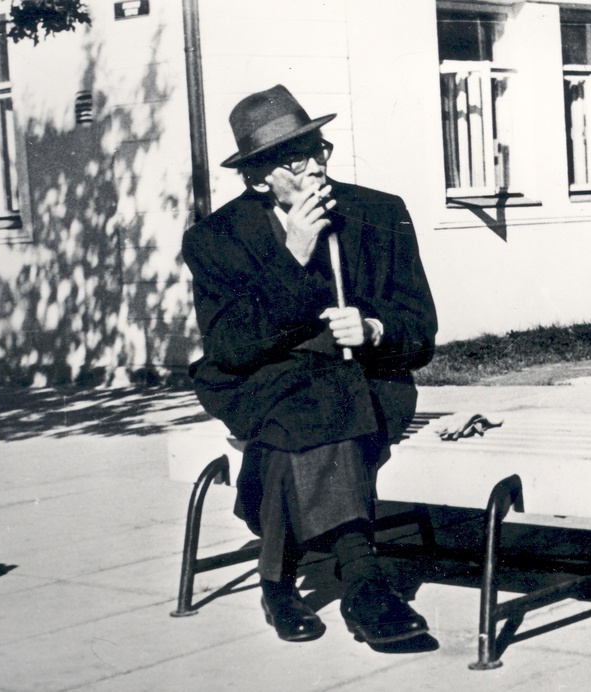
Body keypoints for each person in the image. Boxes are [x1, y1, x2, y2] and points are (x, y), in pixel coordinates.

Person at [182, 85, 438, 650]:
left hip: (364, 383)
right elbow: (231, 347)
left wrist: (375, 330)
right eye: (295, 158)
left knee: (312, 400)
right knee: (306, 393)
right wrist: (293, 254)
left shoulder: (379, 212)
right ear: (257, 178)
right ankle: (364, 582)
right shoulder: (214, 239)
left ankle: (276, 582)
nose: (317, 164)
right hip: (258, 381)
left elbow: (421, 327)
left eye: (317, 148)